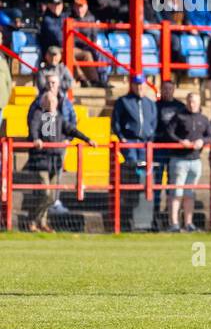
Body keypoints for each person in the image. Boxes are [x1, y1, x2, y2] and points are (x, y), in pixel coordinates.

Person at [24, 88, 95, 232]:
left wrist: (87, 139)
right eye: (48, 101)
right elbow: (33, 129)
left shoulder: (59, 118)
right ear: (43, 102)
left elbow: (72, 130)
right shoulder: (38, 115)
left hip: (55, 162)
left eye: (53, 101)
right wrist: (36, 139)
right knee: (45, 193)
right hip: (41, 161)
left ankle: (41, 223)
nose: (51, 103)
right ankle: (32, 220)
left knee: (52, 196)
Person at [110, 73, 157, 223]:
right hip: (130, 141)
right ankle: (131, 198)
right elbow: (116, 122)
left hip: (144, 143)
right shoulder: (123, 101)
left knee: (144, 170)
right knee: (132, 165)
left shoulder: (150, 103)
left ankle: (142, 196)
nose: (139, 87)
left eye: (142, 84)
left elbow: (153, 122)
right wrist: (122, 138)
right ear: (132, 86)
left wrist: (150, 137)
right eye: (137, 84)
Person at [165, 91, 211, 233]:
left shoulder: (203, 119)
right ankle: (174, 223)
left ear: (199, 103)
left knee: (189, 193)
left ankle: (188, 223)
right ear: (187, 102)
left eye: (195, 102)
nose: (192, 104)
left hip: (195, 160)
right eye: (190, 101)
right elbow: (169, 133)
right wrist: (180, 141)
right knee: (176, 192)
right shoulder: (178, 117)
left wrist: (202, 141)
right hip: (179, 160)